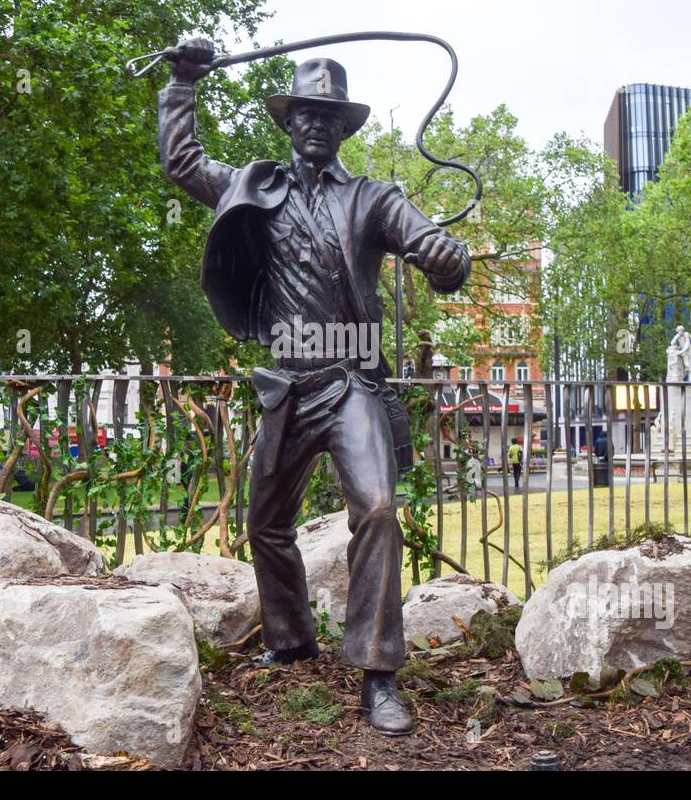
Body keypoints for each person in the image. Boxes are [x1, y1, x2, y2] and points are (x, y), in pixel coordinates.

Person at [158, 38, 471, 735]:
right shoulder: (252, 186)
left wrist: (447, 259)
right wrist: (182, 83)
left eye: (330, 115)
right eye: (306, 112)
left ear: (344, 127)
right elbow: (181, 161)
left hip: (349, 381)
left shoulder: (371, 199)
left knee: (380, 508)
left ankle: (379, 675)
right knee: (266, 524)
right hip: (285, 385)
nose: (316, 124)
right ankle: (291, 638)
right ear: (289, 121)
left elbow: (427, 245)